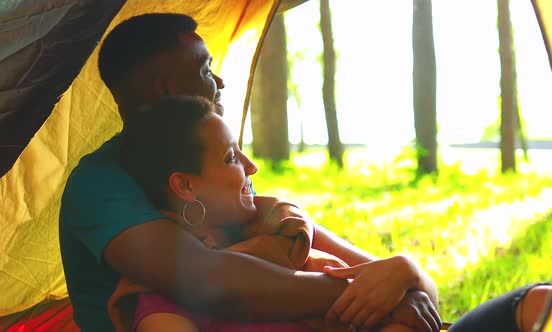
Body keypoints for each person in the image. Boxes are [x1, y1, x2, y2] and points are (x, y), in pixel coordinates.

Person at [59, 12, 440, 332]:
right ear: (168, 88)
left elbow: (382, 273)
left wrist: (403, 273)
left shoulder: (219, 177)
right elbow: (208, 280)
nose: (220, 81)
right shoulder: (99, 184)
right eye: (207, 69)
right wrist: (368, 294)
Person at [107, 95, 439, 332]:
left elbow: (420, 298)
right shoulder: (164, 298)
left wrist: (406, 271)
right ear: (185, 186)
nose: (251, 166)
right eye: (230, 158)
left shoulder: (282, 227)